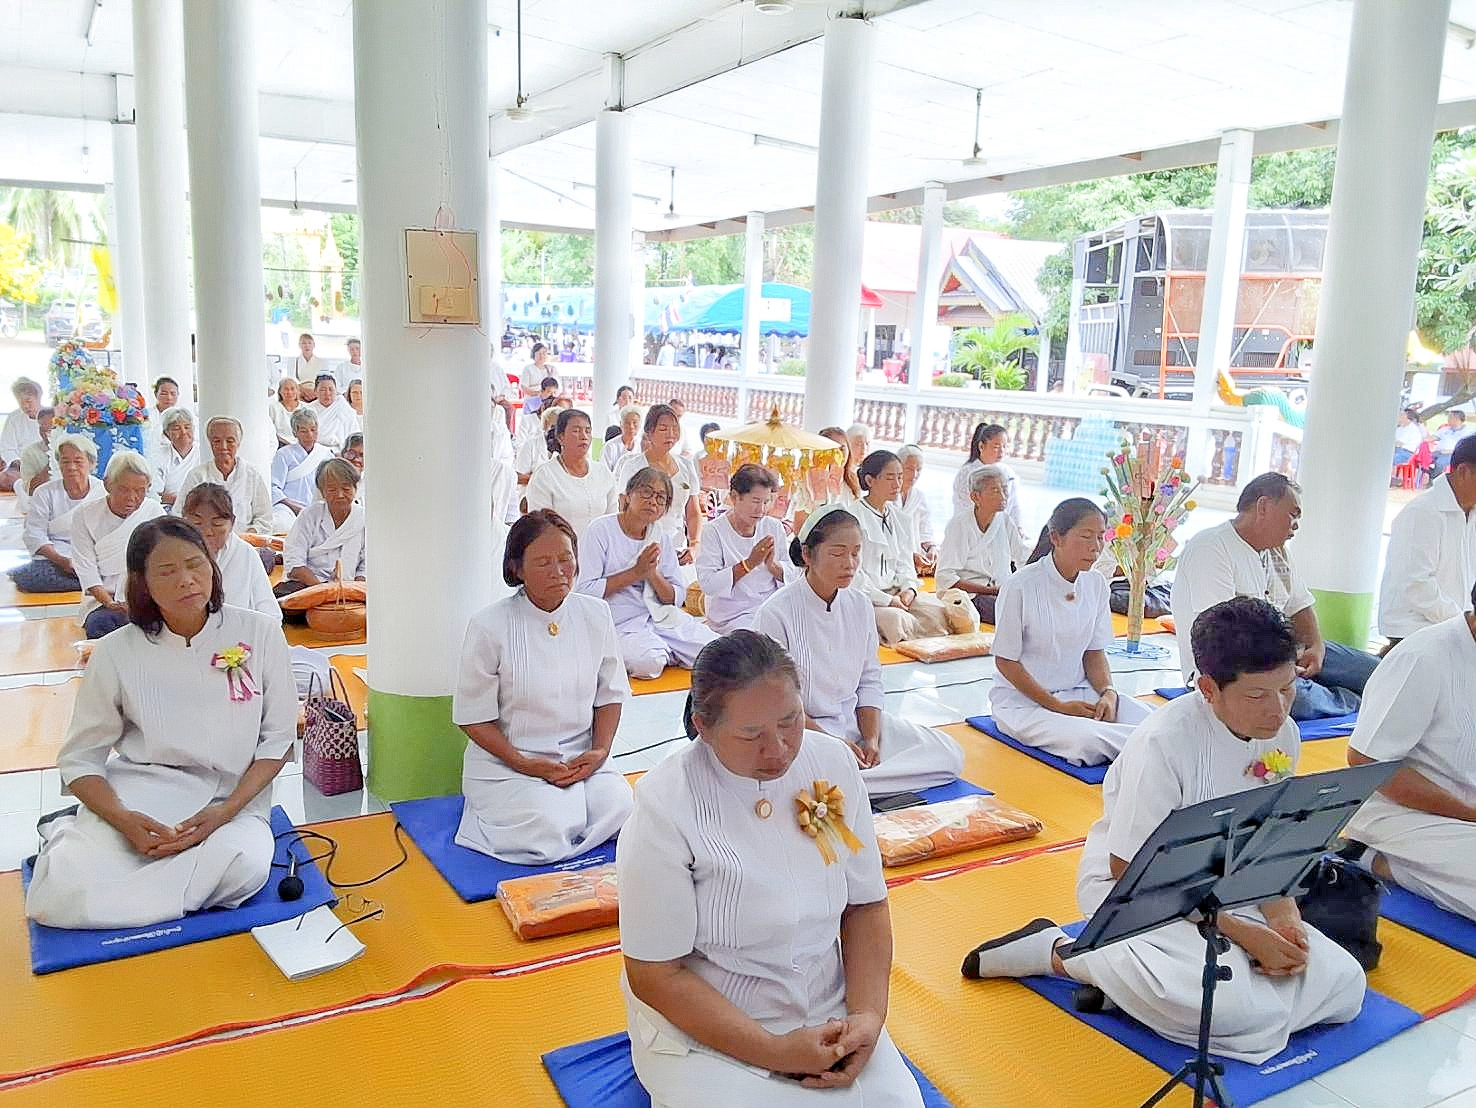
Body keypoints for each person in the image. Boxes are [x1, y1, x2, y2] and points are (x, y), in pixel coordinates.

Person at [964, 597, 1366, 1065]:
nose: (1277, 710)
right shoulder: (1163, 743)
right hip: (1137, 893)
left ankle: (1126, 991)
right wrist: (1242, 933)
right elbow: (1129, 869)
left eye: (1287, 689)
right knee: (1229, 1012)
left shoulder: (1284, 733)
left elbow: (1268, 841)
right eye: (1257, 696)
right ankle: (1063, 955)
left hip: (1234, 886)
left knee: (1345, 985)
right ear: (1209, 688)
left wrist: (1284, 916)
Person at [618, 631, 925, 1108]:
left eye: (790, 721)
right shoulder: (665, 802)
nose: (778, 749)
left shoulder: (831, 762)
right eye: (750, 735)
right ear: (702, 726)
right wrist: (774, 1051)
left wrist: (867, 1017)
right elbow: (655, 973)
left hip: (829, 1011)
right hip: (711, 1025)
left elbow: (866, 905)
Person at [25, 516, 296, 930]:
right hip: (142, 794)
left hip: (234, 797)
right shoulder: (115, 651)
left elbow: (278, 739)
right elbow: (80, 759)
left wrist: (225, 812)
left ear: (212, 566)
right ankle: (74, 834)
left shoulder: (259, 633)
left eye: (195, 564)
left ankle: (124, 879)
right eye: (167, 571)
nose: (186, 580)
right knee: (64, 889)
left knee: (244, 868)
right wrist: (125, 822)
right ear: (142, 584)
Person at [453, 510, 632, 864]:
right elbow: (472, 717)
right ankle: (560, 822)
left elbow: (611, 694)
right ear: (517, 568)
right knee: (546, 827)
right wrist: (523, 763)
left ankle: (571, 818)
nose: (559, 571)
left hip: (581, 758)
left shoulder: (596, 614)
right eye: (543, 562)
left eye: (566, 559)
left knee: (623, 808)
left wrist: (599, 751)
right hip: (508, 763)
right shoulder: (489, 626)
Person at [756, 506, 964, 796]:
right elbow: (778, 703)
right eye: (838, 553)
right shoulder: (775, 613)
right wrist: (836, 745)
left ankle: (848, 784)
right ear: (807, 555)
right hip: (803, 732)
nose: (850, 564)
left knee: (949, 755)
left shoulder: (860, 605)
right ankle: (851, 780)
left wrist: (872, 740)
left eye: (856, 553)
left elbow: (869, 679)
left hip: (855, 722)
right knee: (797, 770)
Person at [1170, 472, 1379, 720]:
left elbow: (1300, 605)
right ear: (1263, 507)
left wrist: (1316, 646)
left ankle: (1349, 695)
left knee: (1376, 670)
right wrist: (1284, 668)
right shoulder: (1210, 548)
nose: (1296, 525)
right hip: (1238, 668)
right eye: (1293, 514)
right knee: (1296, 700)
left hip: (1285, 653)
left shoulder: (1278, 552)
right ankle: (1360, 703)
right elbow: (1222, 636)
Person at [989, 498, 1153, 765]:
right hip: (1024, 703)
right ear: (1056, 538)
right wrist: (1058, 707)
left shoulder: (1096, 583)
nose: (1095, 547)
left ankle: (1152, 745)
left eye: (1100, 537)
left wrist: (1108, 693)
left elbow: (1094, 652)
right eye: (1086, 536)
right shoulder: (1020, 585)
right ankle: (1151, 748)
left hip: (1080, 692)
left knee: (1157, 721)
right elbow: (1006, 661)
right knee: (1088, 741)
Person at [1344, 600, 1476, 921]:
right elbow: (1367, 761)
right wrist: (1471, 814)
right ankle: (1375, 858)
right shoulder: (1422, 657)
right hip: (1403, 813)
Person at [576, 467, 716, 679]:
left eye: (661, 498)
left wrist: (652, 575)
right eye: (646, 492)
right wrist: (636, 572)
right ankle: (664, 652)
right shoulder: (600, 530)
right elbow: (585, 591)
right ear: (627, 496)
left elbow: (676, 597)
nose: (653, 501)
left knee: (713, 650)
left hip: (661, 618)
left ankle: (664, 649)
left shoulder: (660, 536)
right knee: (649, 663)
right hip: (619, 621)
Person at [1377, 435, 1476, 650]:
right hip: (1414, 632)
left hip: (1457, 631)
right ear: (1464, 472)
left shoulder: (1472, 513)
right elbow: (1417, 585)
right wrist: (1463, 624)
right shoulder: (1421, 513)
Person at [852, 451, 950, 644]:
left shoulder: (900, 518)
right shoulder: (852, 517)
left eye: (899, 477)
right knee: (897, 621)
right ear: (870, 480)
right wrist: (888, 600)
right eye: (890, 478)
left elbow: (905, 564)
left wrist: (909, 590)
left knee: (939, 612)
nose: (897, 484)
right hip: (867, 597)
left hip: (896, 592)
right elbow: (854, 575)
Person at [72, 451, 167, 639]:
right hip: (104, 601)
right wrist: (111, 603)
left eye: (139, 491)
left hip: (147, 598)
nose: (132, 497)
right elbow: (86, 568)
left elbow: (164, 563)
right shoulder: (85, 515)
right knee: (101, 625)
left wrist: (142, 600)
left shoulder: (154, 511)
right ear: (107, 484)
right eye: (124, 489)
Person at [695, 464, 790, 633]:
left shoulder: (773, 527)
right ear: (734, 497)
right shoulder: (714, 531)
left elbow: (793, 575)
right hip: (732, 615)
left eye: (766, 502)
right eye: (755, 501)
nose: (761, 510)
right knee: (757, 636)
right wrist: (748, 564)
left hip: (771, 608)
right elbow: (709, 584)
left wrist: (772, 566)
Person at [10, 431, 105, 592]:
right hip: (56, 556)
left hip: (93, 556)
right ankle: (92, 584)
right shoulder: (44, 492)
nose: (71, 467)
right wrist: (63, 561)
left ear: (92, 464)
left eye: (78, 461)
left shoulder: (103, 491)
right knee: (36, 578)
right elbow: (34, 534)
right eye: (65, 461)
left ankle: (92, 582)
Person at [936, 464, 1023, 625]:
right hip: (971, 596)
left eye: (1005, 489)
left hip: (1001, 592)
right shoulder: (959, 525)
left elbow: (1022, 558)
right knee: (1014, 616)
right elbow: (945, 577)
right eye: (995, 491)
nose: (1003, 496)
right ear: (976, 497)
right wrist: (990, 591)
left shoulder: (1005, 521)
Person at [613, 404, 702, 558]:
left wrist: (694, 544)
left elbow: (693, 511)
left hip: (676, 547)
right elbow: (623, 508)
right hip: (640, 548)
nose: (671, 434)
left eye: (674, 428)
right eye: (663, 429)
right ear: (649, 432)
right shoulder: (633, 465)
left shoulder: (686, 466)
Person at [276, 459, 365, 613]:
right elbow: (294, 562)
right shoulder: (309, 516)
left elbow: (365, 566)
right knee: (281, 606)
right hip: (310, 586)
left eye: (346, 488)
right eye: (331, 490)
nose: (340, 495)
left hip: (349, 589)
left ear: (355, 488)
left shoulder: (363, 519)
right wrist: (322, 592)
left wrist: (354, 591)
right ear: (322, 492)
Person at [181, 483, 278, 618]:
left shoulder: (246, 554)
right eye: (197, 524)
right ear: (183, 521)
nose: (207, 532)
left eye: (217, 524)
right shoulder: (172, 554)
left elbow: (271, 613)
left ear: (232, 523)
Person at [525, 409, 617, 538]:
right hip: (559, 547)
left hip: (600, 547)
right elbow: (540, 526)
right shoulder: (545, 475)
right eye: (576, 431)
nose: (584, 436)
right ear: (561, 437)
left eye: (588, 431)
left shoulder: (602, 473)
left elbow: (612, 519)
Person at [176, 417, 275, 537]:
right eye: (217, 441)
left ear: (238, 443)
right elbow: (179, 515)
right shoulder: (197, 476)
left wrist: (246, 537)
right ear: (210, 443)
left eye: (230, 441)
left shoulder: (252, 474)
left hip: (246, 541)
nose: (223, 446)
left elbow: (265, 519)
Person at [951, 422, 1023, 542]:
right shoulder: (967, 474)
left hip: (1003, 533)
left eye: (1004, 447)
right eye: (996, 447)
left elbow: (1014, 505)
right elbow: (966, 507)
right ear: (981, 446)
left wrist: (1017, 528)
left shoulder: (1008, 473)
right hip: (971, 534)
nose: (1001, 451)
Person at [269, 408, 335, 532]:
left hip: (318, 507)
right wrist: (295, 507)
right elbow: (274, 487)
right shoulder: (283, 454)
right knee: (280, 525)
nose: (309, 435)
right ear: (295, 432)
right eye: (304, 431)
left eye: (313, 430)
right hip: (288, 508)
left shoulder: (326, 454)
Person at [894, 445, 935, 575]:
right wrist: (909, 556)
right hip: (893, 561)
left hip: (916, 562)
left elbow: (925, 529)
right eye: (909, 469)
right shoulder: (887, 496)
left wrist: (931, 548)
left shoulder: (918, 496)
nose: (914, 475)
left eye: (919, 469)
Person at [0, 376, 43, 493]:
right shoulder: (14, 418)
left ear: (38, 398)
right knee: (4, 479)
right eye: (21, 402)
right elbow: (6, 448)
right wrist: (17, 462)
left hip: (45, 466)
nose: (25, 406)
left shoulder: (51, 415)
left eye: (28, 401)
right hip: (20, 468)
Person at [153, 407, 199, 509]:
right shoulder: (159, 456)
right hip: (169, 508)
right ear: (167, 433)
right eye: (177, 428)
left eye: (187, 427)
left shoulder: (203, 452)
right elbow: (156, 494)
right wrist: (182, 500)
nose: (183, 432)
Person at [515, 403, 564, 491]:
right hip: (532, 492)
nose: (555, 431)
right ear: (545, 425)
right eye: (553, 426)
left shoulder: (569, 446)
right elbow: (519, 477)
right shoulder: (530, 445)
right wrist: (545, 481)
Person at [16, 405, 56, 507]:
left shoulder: (76, 448)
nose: (47, 434)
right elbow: (30, 490)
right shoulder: (30, 452)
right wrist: (54, 462)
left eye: (53, 428)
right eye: (43, 429)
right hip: (44, 505)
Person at [310, 374, 360, 452]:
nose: (327, 393)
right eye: (323, 390)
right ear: (315, 391)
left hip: (342, 451)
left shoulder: (343, 407)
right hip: (315, 450)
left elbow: (354, 433)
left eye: (331, 389)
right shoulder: (309, 410)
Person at [1431, 410, 1473, 476]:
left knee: (1440, 463)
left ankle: (1435, 478)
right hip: (1438, 452)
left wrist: (1449, 451)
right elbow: (1430, 438)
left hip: (1452, 454)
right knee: (1423, 459)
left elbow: (1466, 448)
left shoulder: (1468, 432)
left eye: (1450, 417)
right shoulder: (1445, 429)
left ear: (1457, 419)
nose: (1448, 419)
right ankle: (1426, 476)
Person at [603, 405, 642, 473]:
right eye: (627, 423)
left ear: (640, 424)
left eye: (635, 422)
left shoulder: (642, 445)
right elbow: (604, 472)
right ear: (621, 424)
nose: (631, 426)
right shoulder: (610, 446)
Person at [268, 376, 303, 448]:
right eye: (286, 389)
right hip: (280, 444)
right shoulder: (273, 407)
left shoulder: (305, 407)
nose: (289, 392)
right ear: (280, 391)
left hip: (302, 444)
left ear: (297, 390)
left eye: (292, 389)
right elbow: (270, 430)